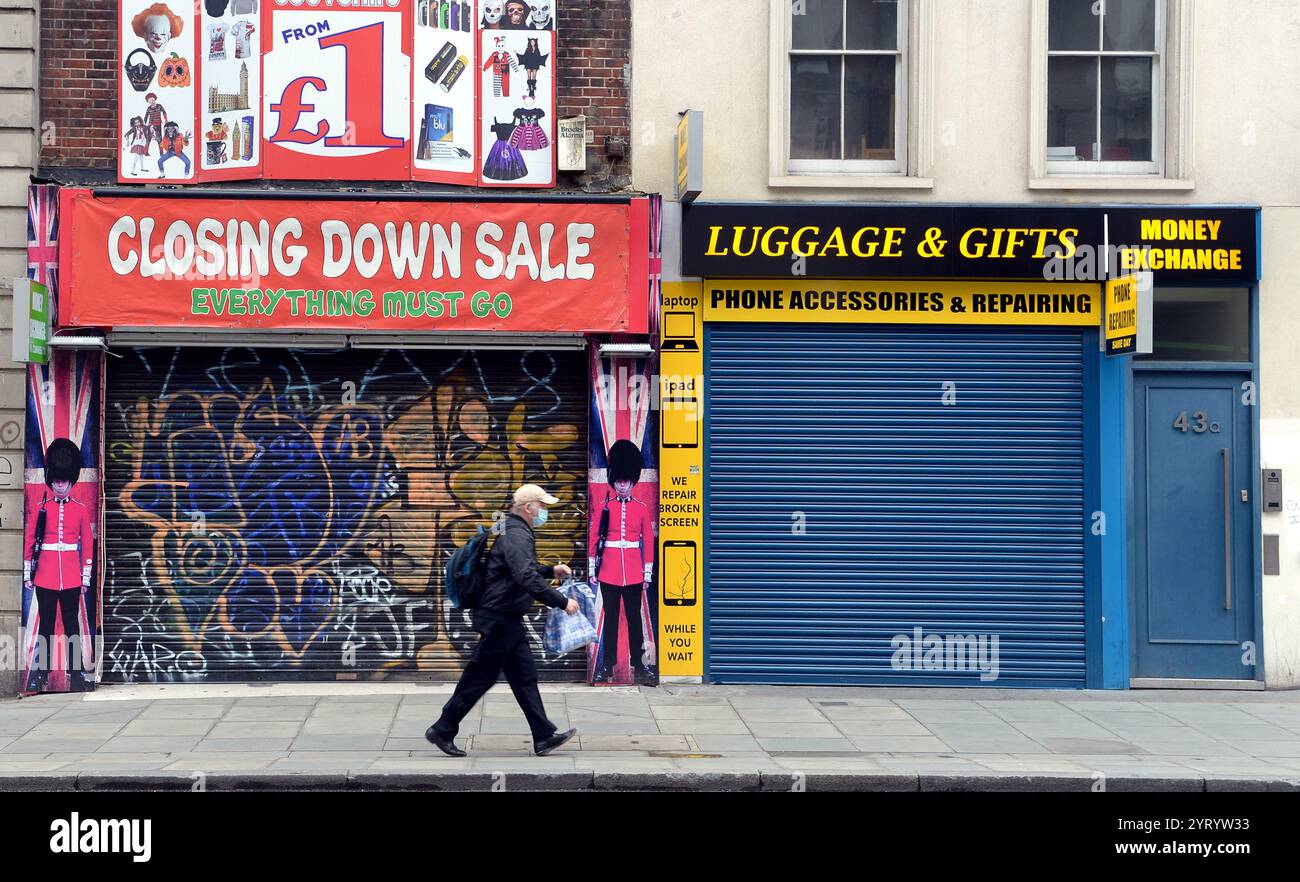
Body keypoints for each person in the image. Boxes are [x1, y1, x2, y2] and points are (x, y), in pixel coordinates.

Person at [426, 484, 579, 757]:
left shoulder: (506, 527)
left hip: (504, 616)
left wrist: (550, 569)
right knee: (480, 677)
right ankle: (443, 727)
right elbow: (525, 577)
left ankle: (543, 735)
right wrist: (561, 601)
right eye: (542, 506)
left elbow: (511, 568)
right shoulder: (517, 533)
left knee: (524, 677)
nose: (544, 511)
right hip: (499, 617)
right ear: (528, 507)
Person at [23, 439, 94, 692]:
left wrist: (85, 577)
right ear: (51, 481)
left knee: (72, 625)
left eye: (64, 481)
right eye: (57, 481)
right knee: (47, 626)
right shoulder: (42, 508)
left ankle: (75, 675)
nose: (60, 485)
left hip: (72, 576)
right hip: (45, 574)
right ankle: (42, 674)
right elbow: (31, 540)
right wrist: (27, 572)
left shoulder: (81, 510)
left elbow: (86, 544)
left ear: (70, 481)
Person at [590, 440, 656, 684]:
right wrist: (592, 569)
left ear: (632, 482)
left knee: (634, 619)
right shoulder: (604, 507)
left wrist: (647, 573)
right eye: (618, 481)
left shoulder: (641, 508)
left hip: (633, 572)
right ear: (614, 481)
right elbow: (595, 537)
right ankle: (607, 666)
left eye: (625, 482)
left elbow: (647, 543)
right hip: (608, 570)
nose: (622, 485)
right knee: (612, 619)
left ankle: (638, 666)